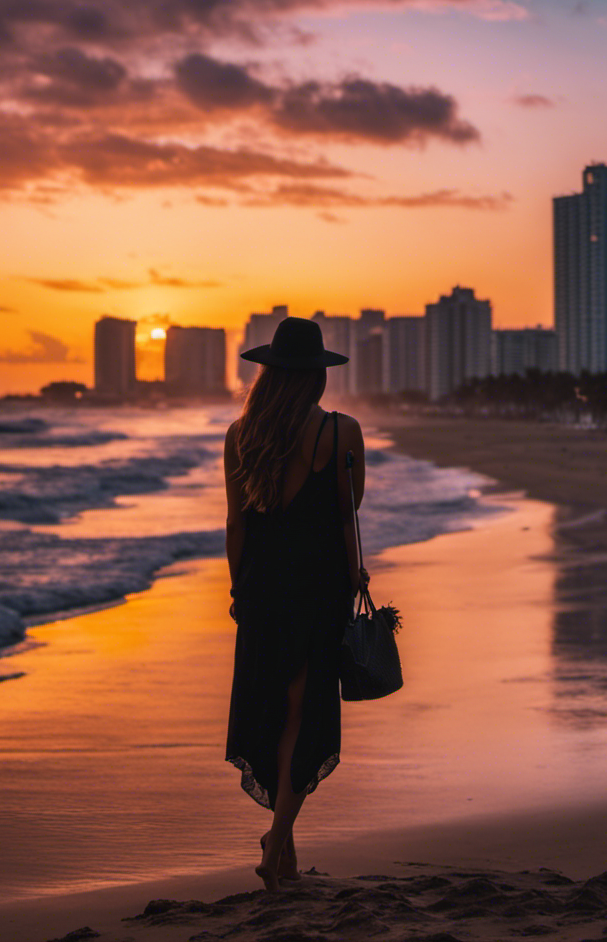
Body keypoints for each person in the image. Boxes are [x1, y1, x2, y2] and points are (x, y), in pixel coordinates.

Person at [224, 316, 366, 892]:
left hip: (262, 588)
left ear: (268, 374)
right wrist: (355, 573)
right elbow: (347, 510)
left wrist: (239, 590)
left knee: (275, 712)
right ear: (316, 378)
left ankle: (282, 847)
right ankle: (277, 841)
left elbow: (236, 522)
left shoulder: (240, 435)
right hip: (320, 585)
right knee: (305, 715)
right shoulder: (341, 431)